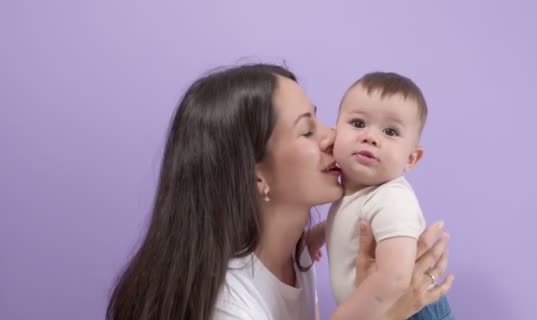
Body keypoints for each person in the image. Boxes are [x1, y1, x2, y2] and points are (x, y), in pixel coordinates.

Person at [106, 63, 454, 320]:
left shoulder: (293, 257)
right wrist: (392, 313)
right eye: (307, 130)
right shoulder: (229, 308)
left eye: (319, 118)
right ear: (257, 175)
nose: (333, 135)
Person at [307, 72, 454, 320]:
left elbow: (395, 278)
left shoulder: (392, 199)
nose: (370, 137)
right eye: (358, 123)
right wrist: (316, 237)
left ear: (411, 158)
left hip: (411, 312)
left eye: (390, 131)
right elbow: (351, 223)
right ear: (335, 133)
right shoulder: (357, 194)